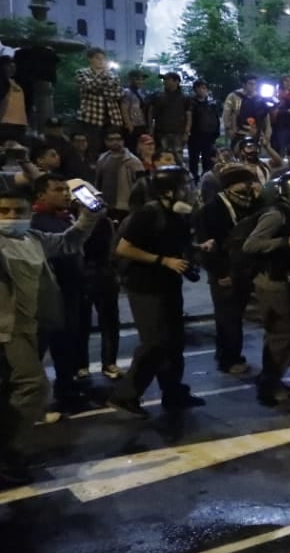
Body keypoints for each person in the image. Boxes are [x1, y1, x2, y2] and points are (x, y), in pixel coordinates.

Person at [0, 184, 101, 467]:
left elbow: (70, 241)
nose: (10, 216)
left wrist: (90, 214)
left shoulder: (33, 238)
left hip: (35, 323)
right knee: (33, 386)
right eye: (3, 211)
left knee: (11, 389)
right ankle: (9, 452)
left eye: (18, 211)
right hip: (8, 329)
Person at [106, 166, 203, 418]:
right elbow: (124, 248)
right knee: (155, 342)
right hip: (145, 286)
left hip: (168, 284)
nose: (190, 192)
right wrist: (163, 261)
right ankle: (125, 395)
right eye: (185, 187)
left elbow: (175, 243)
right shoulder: (148, 214)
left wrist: (197, 249)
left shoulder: (178, 214)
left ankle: (173, 392)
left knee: (174, 341)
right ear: (169, 191)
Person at [244, 169, 290, 407]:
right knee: (281, 334)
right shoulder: (276, 215)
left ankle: (273, 380)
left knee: (282, 333)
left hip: (285, 278)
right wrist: (284, 242)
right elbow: (251, 245)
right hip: (271, 282)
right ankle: (269, 387)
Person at [28, 173, 95, 413]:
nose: (66, 194)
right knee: (37, 351)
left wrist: (90, 216)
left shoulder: (64, 217)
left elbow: (72, 243)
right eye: (58, 190)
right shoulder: (35, 224)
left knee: (67, 345)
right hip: (48, 297)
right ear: (40, 195)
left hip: (71, 292)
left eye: (67, 189)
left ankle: (66, 389)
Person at [196, 165, 261, 377]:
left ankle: (225, 353)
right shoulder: (212, 209)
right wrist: (220, 273)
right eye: (245, 182)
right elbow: (207, 245)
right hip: (224, 272)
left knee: (233, 316)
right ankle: (229, 359)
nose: (249, 187)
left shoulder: (246, 204)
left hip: (242, 269)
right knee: (228, 318)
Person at [74, 49, 123, 157]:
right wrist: (103, 76)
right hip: (91, 118)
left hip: (112, 118)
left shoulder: (113, 75)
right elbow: (90, 86)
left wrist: (101, 91)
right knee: (93, 148)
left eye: (103, 58)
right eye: (97, 58)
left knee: (113, 149)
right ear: (90, 59)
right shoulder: (82, 73)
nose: (101, 61)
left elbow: (119, 93)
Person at [93, 127, 145, 220]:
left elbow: (141, 185)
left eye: (118, 139)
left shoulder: (133, 161)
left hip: (125, 206)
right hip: (105, 206)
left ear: (123, 141)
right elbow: (98, 182)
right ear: (105, 141)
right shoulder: (102, 159)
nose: (115, 142)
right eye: (111, 139)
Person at [147, 72, 190, 158]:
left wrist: (187, 132)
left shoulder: (184, 98)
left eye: (167, 79)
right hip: (161, 132)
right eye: (164, 79)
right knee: (162, 156)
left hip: (178, 132)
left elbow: (189, 115)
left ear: (176, 81)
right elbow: (150, 113)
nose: (164, 82)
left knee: (178, 156)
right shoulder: (158, 96)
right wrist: (151, 128)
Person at [186, 80, 222, 178]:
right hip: (194, 136)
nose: (202, 90)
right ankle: (194, 178)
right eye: (199, 88)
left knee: (208, 159)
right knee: (194, 159)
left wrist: (216, 133)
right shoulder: (190, 104)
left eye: (204, 88)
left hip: (208, 136)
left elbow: (216, 119)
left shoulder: (212, 104)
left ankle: (205, 177)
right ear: (195, 89)